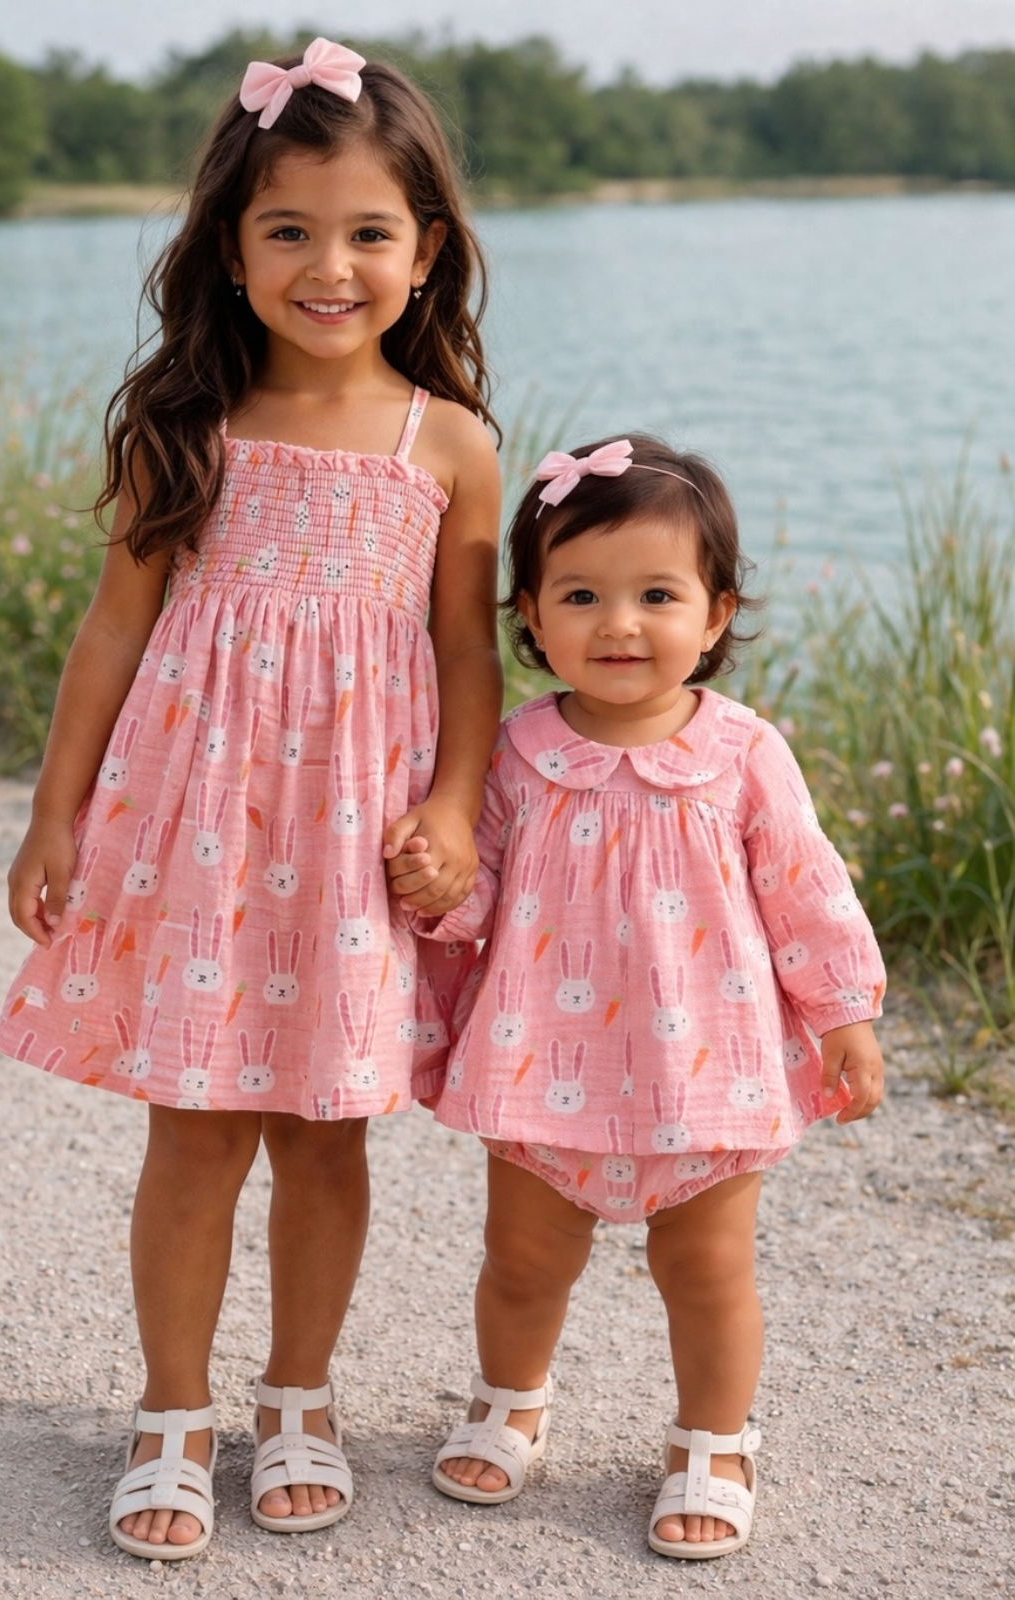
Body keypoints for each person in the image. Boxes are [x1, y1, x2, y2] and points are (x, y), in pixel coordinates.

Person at [0, 37, 501, 1562]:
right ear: (231, 247)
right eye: (289, 229)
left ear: (425, 255)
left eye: (366, 233)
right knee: (196, 1132)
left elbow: (467, 655)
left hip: (352, 847)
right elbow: (112, 634)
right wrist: (53, 811)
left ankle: (298, 1395)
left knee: (327, 1135)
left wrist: (460, 810)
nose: (327, 264)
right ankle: (171, 1409)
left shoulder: (450, 446)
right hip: (200, 839)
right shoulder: (187, 426)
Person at [386, 434, 885, 1560]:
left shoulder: (744, 753)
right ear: (531, 617)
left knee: (706, 1271)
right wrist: (434, 885)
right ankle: (512, 1397)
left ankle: (713, 1437)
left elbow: (806, 892)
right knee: (522, 1261)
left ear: (714, 615)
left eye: (657, 594)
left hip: (706, 1072)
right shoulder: (516, 753)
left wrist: (845, 1016)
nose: (620, 624)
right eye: (583, 595)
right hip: (540, 1063)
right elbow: (479, 893)